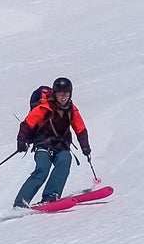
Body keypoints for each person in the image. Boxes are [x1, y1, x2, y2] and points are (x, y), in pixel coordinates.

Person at [14, 76, 91, 208]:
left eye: (66, 94)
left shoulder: (72, 110)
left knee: (65, 161)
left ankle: (51, 195)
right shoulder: (44, 108)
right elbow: (27, 125)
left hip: (61, 146)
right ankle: (20, 203)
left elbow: (80, 129)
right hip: (43, 144)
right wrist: (22, 141)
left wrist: (85, 147)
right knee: (42, 170)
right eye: (61, 94)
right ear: (55, 93)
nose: (63, 97)